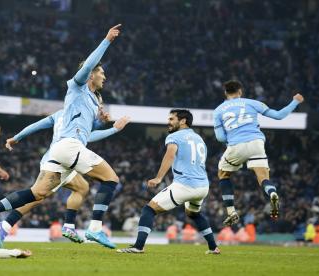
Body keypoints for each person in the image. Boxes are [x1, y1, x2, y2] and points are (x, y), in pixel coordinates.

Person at [0, 24, 122, 249]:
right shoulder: (78, 86)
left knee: (37, 194)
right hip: (68, 147)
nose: (105, 77)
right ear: (91, 75)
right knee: (111, 180)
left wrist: (104, 122)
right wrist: (106, 40)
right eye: (102, 73)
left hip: (62, 151)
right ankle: (94, 229)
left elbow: (86, 133)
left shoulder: (91, 101)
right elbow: (89, 64)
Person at [0, 109, 130, 247]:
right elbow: (86, 137)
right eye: (98, 104)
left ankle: (68, 226)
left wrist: (16, 138)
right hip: (58, 161)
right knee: (36, 196)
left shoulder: (65, 112)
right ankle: (1, 223)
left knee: (81, 187)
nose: (99, 107)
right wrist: (113, 129)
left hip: (58, 158)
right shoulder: (79, 112)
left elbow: (37, 125)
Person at [117, 110, 219, 254]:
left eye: (172, 119)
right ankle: (213, 247)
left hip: (185, 185)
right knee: (193, 214)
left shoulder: (175, 136)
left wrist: (158, 178)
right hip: (203, 186)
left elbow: (170, 154)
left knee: (149, 209)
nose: (168, 122)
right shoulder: (198, 138)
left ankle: (138, 246)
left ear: (183, 121)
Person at [213, 80, 304, 226]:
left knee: (223, 174)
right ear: (240, 91)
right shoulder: (252, 103)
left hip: (236, 145)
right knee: (263, 177)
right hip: (257, 143)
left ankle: (231, 211)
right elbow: (279, 116)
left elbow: (220, 138)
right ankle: (272, 193)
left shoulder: (218, 110)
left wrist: (231, 139)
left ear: (225, 93)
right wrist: (294, 102)